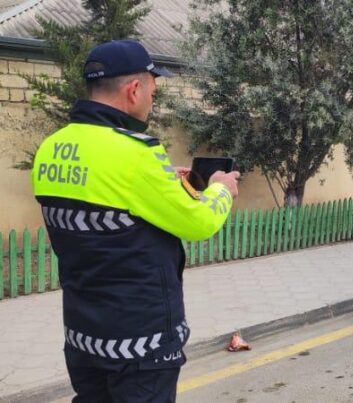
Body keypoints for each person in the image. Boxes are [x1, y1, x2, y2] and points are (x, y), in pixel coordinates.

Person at [31, 40, 240, 402]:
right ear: (133, 89)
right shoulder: (137, 154)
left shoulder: (51, 147)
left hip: (84, 336)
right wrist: (220, 189)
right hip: (140, 344)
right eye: (153, 92)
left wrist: (164, 184)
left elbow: (104, 210)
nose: (152, 101)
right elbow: (200, 223)